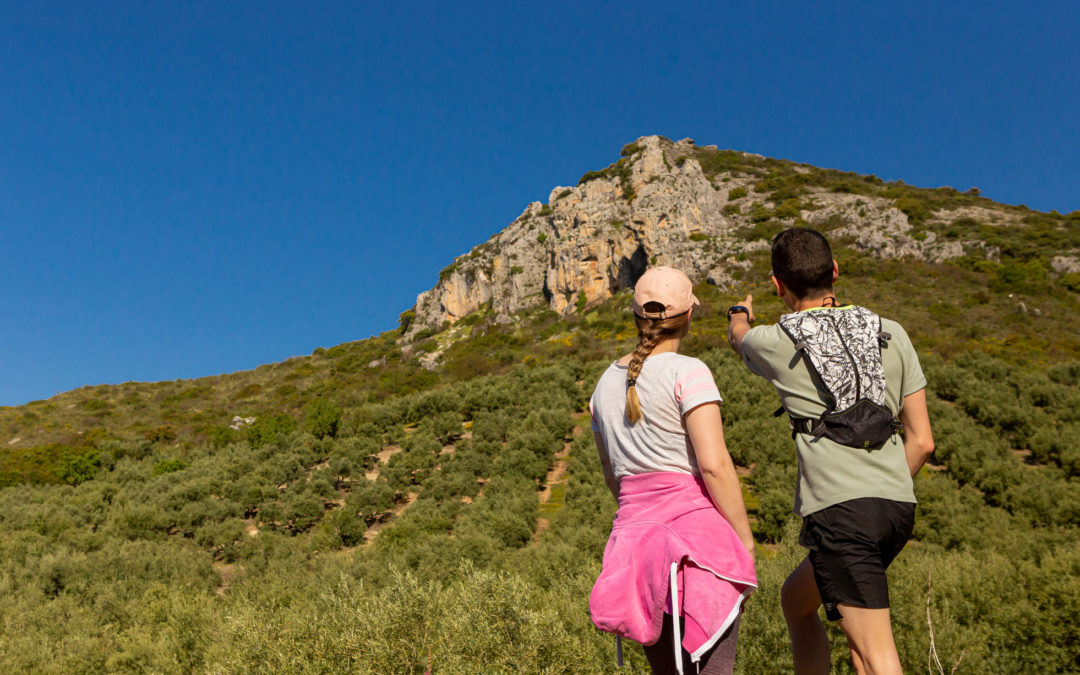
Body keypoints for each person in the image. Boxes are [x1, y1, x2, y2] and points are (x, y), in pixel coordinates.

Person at [726, 228, 935, 675]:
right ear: (835, 271)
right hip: (896, 507)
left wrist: (739, 313)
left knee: (878, 657)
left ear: (777, 285)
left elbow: (738, 335)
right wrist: (881, 484)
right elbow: (923, 441)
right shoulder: (891, 332)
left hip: (842, 515)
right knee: (798, 602)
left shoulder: (776, 340)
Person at [588, 266, 757, 675]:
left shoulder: (602, 387)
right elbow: (714, 466)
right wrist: (744, 541)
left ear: (634, 316)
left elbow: (613, 477)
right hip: (697, 545)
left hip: (635, 548)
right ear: (688, 316)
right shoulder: (689, 371)